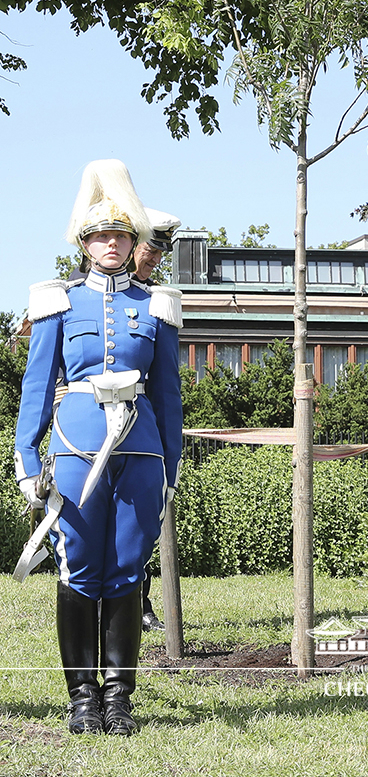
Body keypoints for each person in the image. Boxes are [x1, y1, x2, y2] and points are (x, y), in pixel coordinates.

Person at [14, 160, 183, 734]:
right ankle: (82, 696)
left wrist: (170, 466)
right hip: (77, 447)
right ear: (85, 244)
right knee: (80, 569)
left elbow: (167, 394)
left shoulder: (156, 305)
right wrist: (28, 457)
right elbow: (37, 385)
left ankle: (119, 697)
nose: (112, 244)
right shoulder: (57, 302)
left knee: (128, 570)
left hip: (139, 454)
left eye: (121, 235)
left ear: (133, 242)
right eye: (101, 236)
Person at [131, 209, 181, 633]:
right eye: (150, 249)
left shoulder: (155, 302)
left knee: (141, 520)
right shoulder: (79, 290)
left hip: (139, 424)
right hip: (87, 428)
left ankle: (139, 602)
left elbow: (166, 383)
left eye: (159, 253)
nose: (153, 261)